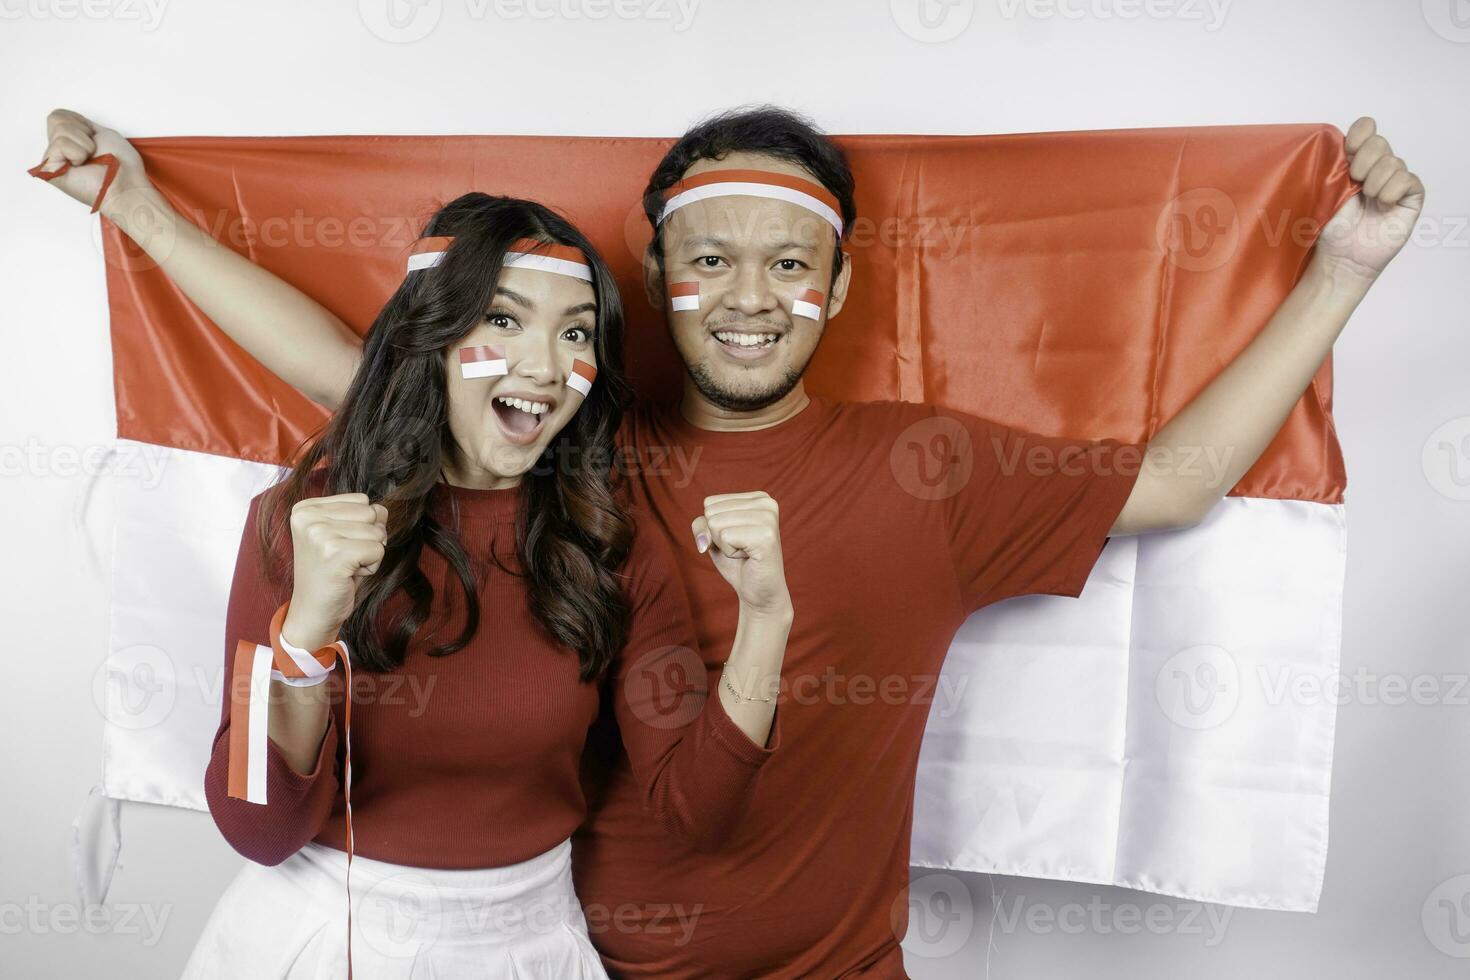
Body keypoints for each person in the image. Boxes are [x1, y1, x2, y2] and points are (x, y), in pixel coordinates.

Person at [36, 105, 1423, 978]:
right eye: (707, 258)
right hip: (570, 953)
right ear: (654, 280)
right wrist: (137, 209)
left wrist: (1344, 265)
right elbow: (370, 368)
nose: (745, 295)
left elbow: (1175, 483)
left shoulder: (920, 467)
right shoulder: (573, 446)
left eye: (785, 260)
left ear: (835, 285)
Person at [36, 115, 798, 978]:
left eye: (577, 331)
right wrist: (301, 643)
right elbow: (259, 827)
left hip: (533, 945)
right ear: (429, 342)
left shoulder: (611, 541)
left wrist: (766, 618)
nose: (546, 366)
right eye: (504, 320)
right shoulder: (310, 518)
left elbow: (701, 812)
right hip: (321, 940)